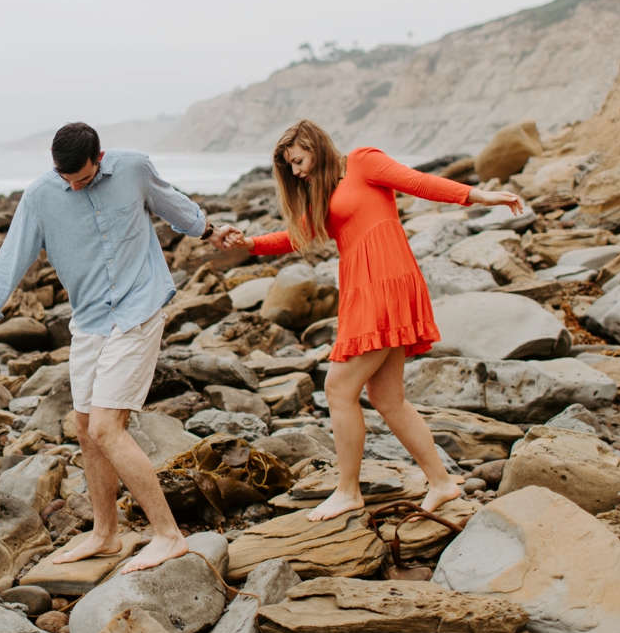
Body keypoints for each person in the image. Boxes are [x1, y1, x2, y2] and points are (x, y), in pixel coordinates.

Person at [214, 120, 523, 521]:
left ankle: (347, 491)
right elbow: (298, 235)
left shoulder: (364, 161)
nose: (296, 172)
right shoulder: (324, 192)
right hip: (364, 288)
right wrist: (249, 243)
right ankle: (443, 483)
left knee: (338, 387)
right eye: (289, 166)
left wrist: (479, 196)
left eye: (298, 161)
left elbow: (419, 183)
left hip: (385, 283)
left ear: (315, 146)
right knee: (386, 398)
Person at [0, 122, 235, 573]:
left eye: (83, 179)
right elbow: (11, 258)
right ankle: (106, 534)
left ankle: (169, 536)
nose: (73, 186)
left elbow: (174, 205)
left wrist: (212, 231)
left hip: (139, 308)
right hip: (89, 322)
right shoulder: (41, 196)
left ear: (101, 158)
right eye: (65, 178)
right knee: (86, 427)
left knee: (109, 427)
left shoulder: (133, 168)